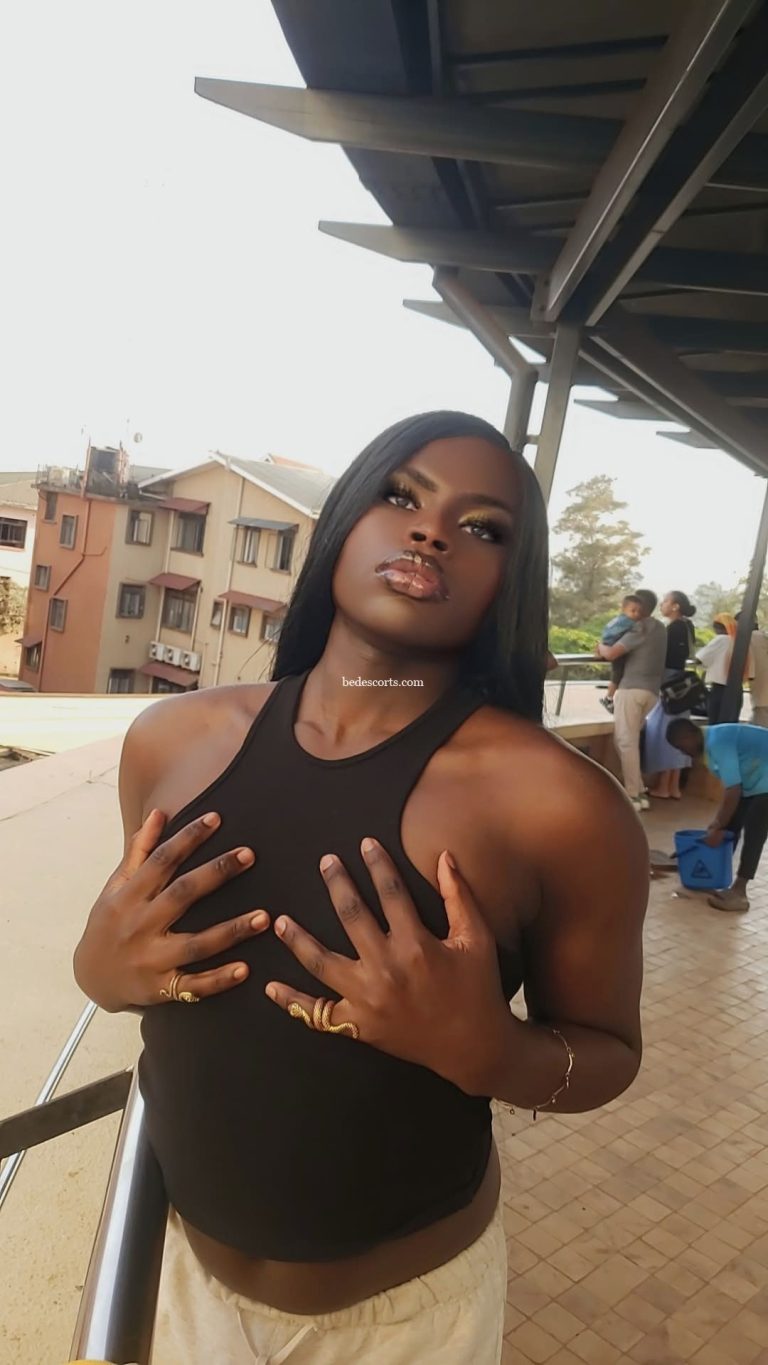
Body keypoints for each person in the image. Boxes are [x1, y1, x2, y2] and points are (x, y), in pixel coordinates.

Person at [73, 411, 647, 1365]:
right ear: (343, 520)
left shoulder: (561, 807)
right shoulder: (171, 741)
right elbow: (145, 975)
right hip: (181, 1286)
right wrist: (97, 970)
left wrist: (490, 1049)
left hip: (406, 1323)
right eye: (401, 495)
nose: (431, 531)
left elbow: (610, 1054)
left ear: (512, 579)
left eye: (483, 526)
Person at [667, 717, 768, 912]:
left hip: (763, 779)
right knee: (730, 825)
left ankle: (739, 893)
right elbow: (734, 794)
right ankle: (711, 873)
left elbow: (733, 790)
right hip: (755, 779)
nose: (682, 752)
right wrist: (715, 830)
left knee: (755, 830)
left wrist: (718, 824)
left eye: (681, 746)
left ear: (690, 736)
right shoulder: (708, 745)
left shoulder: (717, 742)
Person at [597, 589, 667, 812]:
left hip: (632, 690)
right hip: (652, 692)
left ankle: (633, 795)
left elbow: (611, 654)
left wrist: (600, 647)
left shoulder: (640, 628)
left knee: (626, 742)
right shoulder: (661, 628)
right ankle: (639, 790)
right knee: (627, 741)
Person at [644, 591, 697, 800]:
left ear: (675, 606)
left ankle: (663, 786)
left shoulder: (673, 628)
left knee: (663, 732)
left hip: (669, 684)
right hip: (682, 686)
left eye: (666, 601)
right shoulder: (687, 626)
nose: (662, 604)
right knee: (678, 732)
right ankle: (674, 786)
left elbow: (662, 656)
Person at [696, 613, 751, 725]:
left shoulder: (721, 639)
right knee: (730, 724)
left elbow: (700, 658)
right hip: (737, 689)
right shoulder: (740, 641)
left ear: (719, 628)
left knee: (715, 724)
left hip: (720, 690)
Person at [598, 594, 646, 713]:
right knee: (618, 674)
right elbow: (640, 629)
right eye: (633, 611)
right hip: (615, 649)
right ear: (624, 610)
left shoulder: (616, 620)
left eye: (639, 612)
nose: (637, 614)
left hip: (608, 645)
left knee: (618, 673)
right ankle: (609, 697)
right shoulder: (628, 622)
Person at [735, 613, 768, 727]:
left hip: (761, 692)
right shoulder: (762, 637)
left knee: (761, 725)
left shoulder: (747, 639)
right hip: (762, 691)